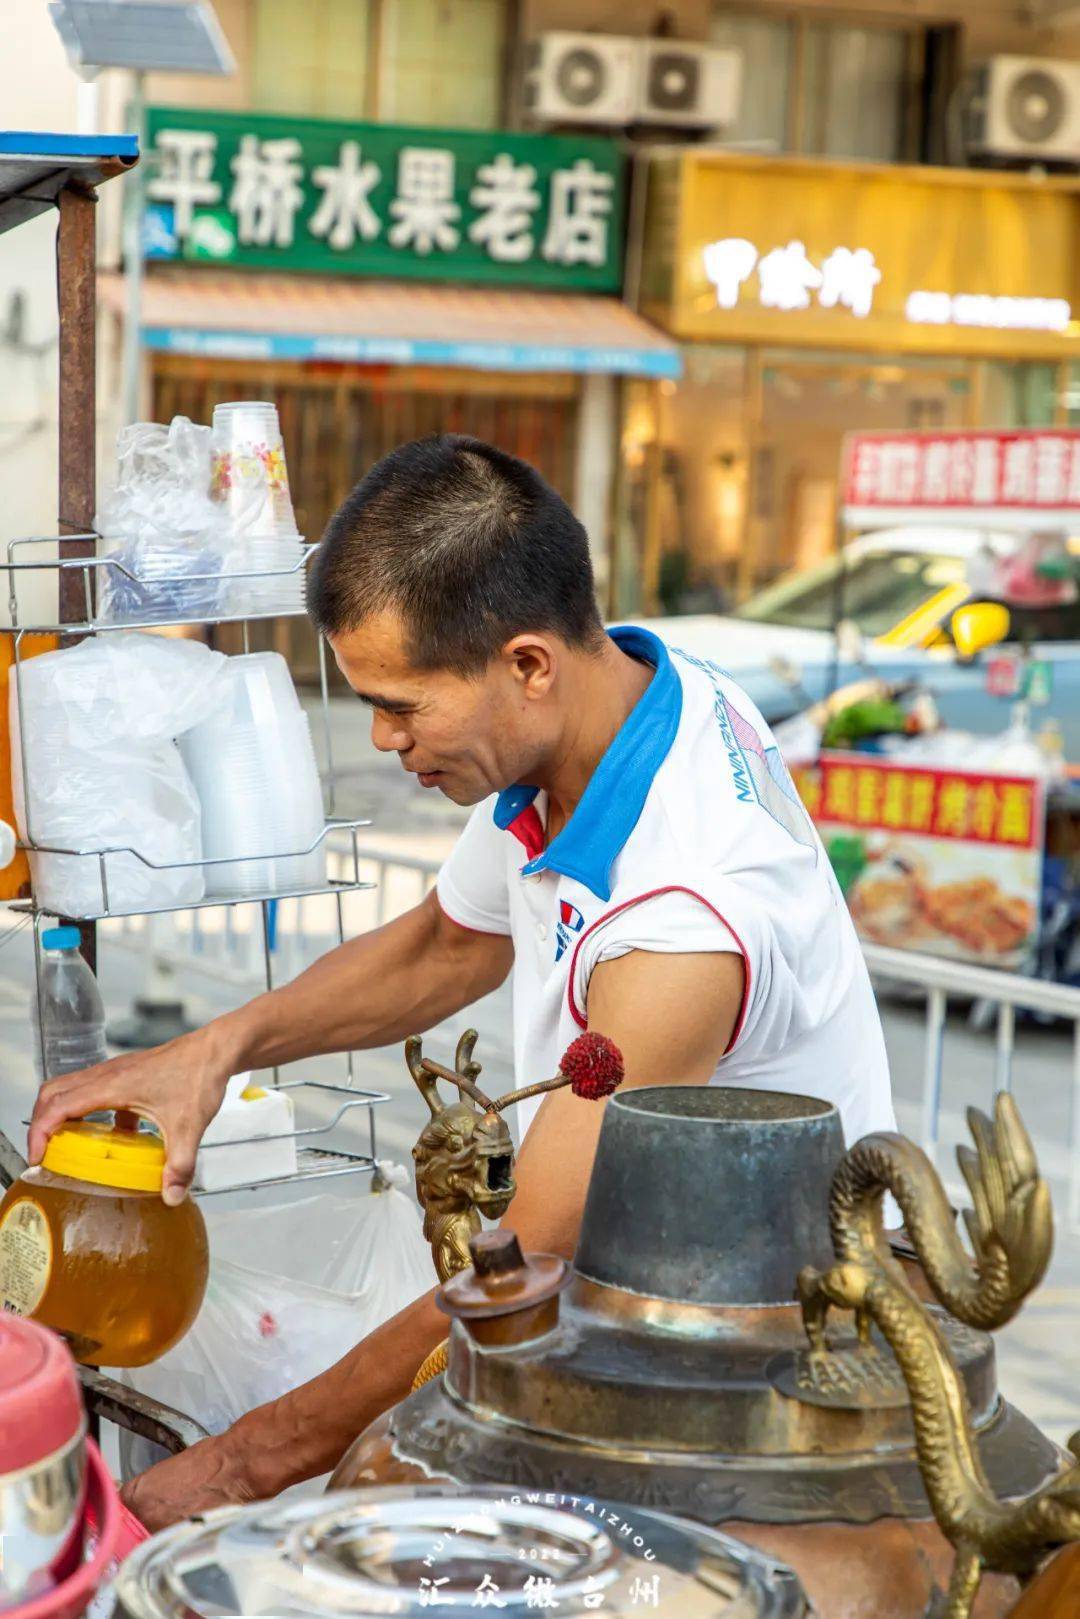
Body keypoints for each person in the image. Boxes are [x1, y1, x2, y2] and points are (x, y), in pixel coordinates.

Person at [29, 435, 895, 1527]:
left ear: (529, 662)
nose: (385, 740)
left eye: (402, 706)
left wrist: (242, 1464)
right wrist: (212, 1049)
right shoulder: (607, 711)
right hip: (625, 1280)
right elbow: (448, 942)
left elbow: (527, 1255)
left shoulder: (683, 921)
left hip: (758, 1350)